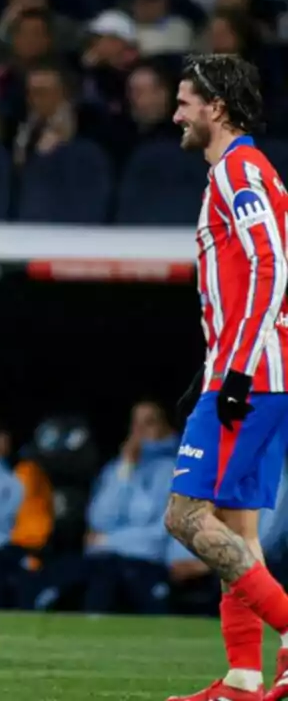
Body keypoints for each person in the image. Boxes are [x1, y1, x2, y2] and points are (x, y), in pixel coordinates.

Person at [165, 53, 288, 701]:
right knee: (235, 531)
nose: (175, 113)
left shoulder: (239, 169)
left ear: (216, 106)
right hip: (256, 367)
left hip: (253, 375)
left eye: (185, 101)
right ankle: (244, 677)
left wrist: (234, 371)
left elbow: (271, 266)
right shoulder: (241, 172)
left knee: (186, 517)